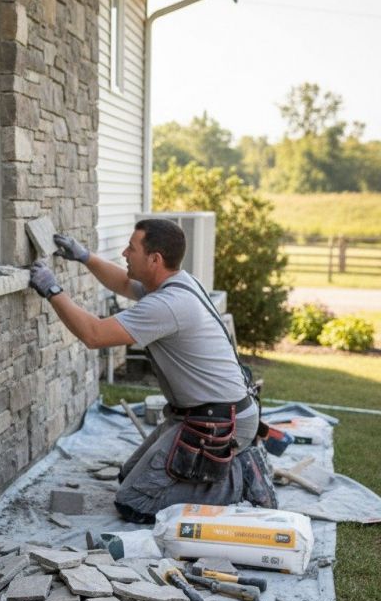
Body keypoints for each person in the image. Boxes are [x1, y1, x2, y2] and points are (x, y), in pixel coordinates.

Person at [29, 218, 276, 523]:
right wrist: (85, 257)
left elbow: (94, 335)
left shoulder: (169, 304)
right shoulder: (177, 282)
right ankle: (219, 470)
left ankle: (241, 480)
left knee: (135, 502)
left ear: (155, 259)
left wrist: (52, 289)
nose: (123, 253)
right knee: (129, 475)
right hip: (200, 414)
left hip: (221, 422)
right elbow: (123, 283)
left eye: (131, 248)